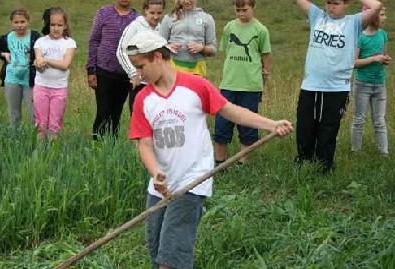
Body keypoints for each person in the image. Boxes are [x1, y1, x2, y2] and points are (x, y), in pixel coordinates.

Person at [126, 30, 293, 269]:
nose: (138, 73)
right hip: (159, 187)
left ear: (158, 57)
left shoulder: (196, 86)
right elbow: (144, 143)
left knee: (171, 258)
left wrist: (271, 125)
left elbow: (230, 110)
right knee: (156, 250)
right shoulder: (143, 99)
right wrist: (155, 173)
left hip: (192, 181)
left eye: (141, 66)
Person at [294, 0, 382, 172]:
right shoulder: (317, 16)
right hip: (311, 85)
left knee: (328, 128)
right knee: (305, 126)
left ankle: (324, 166)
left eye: (336, 3)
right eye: (328, 2)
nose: (331, 6)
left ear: (346, 4)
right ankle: (304, 161)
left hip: (336, 88)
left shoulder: (354, 22)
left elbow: (376, 6)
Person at [213, 0, 271, 165]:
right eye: (237, 10)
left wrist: (266, 74)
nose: (240, 13)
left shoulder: (261, 30)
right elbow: (227, 52)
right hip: (229, 84)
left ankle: (242, 162)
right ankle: (220, 162)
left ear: (253, 7)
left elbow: (266, 54)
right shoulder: (229, 27)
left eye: (244, 10)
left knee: (248, 125)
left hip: (250, 86)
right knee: (222, 124)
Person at [87, 0, 138, 140]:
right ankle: (97, 145)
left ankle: (112, 146)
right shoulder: (103, 13)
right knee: (103, 112)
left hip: (125, 74)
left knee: (116, 113)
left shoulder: (137, 19)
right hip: (103, 71)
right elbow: (94, 41)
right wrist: (91, 69)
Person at [352, 4, 390, 155]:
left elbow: (384, 56)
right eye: (382, 14)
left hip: (380, 84)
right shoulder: (360, 37)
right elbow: (354, 63)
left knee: (379, 121)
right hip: (362, 85)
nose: (384, 18)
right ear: (372, 16)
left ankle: (384, 153)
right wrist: (374, 59)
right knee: (359, 120)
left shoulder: (383, 35)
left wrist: (385, 59)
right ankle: (356, 152)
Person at [0, 9, 41, 127]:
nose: (19, 25)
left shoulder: (35, 37)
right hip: (11, 79)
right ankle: (14, 141)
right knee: (14, 114)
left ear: (28, 21)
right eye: (16, 22)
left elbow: (43, 52)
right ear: (12, 23)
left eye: (22, 22)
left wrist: (37, 60)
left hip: (30, 80)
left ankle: (38, 140)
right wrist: (4, 54)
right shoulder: (7, 37)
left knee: (35, 113)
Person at [33, 7, 77, 140]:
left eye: (59, 25)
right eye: (52, 25)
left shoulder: (69, 43)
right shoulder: (40, 42)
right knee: (41, 124)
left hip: (59, 89)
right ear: (48, 25)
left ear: (65, 26)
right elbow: (39, 64)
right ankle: (40, 153)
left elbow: (65, 65)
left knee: (54, 125)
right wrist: (37, 63)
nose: (56, 28)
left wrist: (45, 60)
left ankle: (52, 153)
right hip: (41, 87)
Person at [117, 0, 166, 114]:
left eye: (159, 13)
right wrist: (133, 73)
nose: (155, 17)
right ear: (145, 11)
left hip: (159, 85)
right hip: (140, 84)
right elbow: (121, 51)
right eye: (152, 13)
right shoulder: (135, 26)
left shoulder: (163, 28)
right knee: (138, 122)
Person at [159, 0, 216, 77]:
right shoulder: (169, 18)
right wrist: (169, 47)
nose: (186, 1)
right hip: (172, 68)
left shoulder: (207, 19)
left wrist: (202, 48)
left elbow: (213, 50)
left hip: (197, 70)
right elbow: (158, 45)